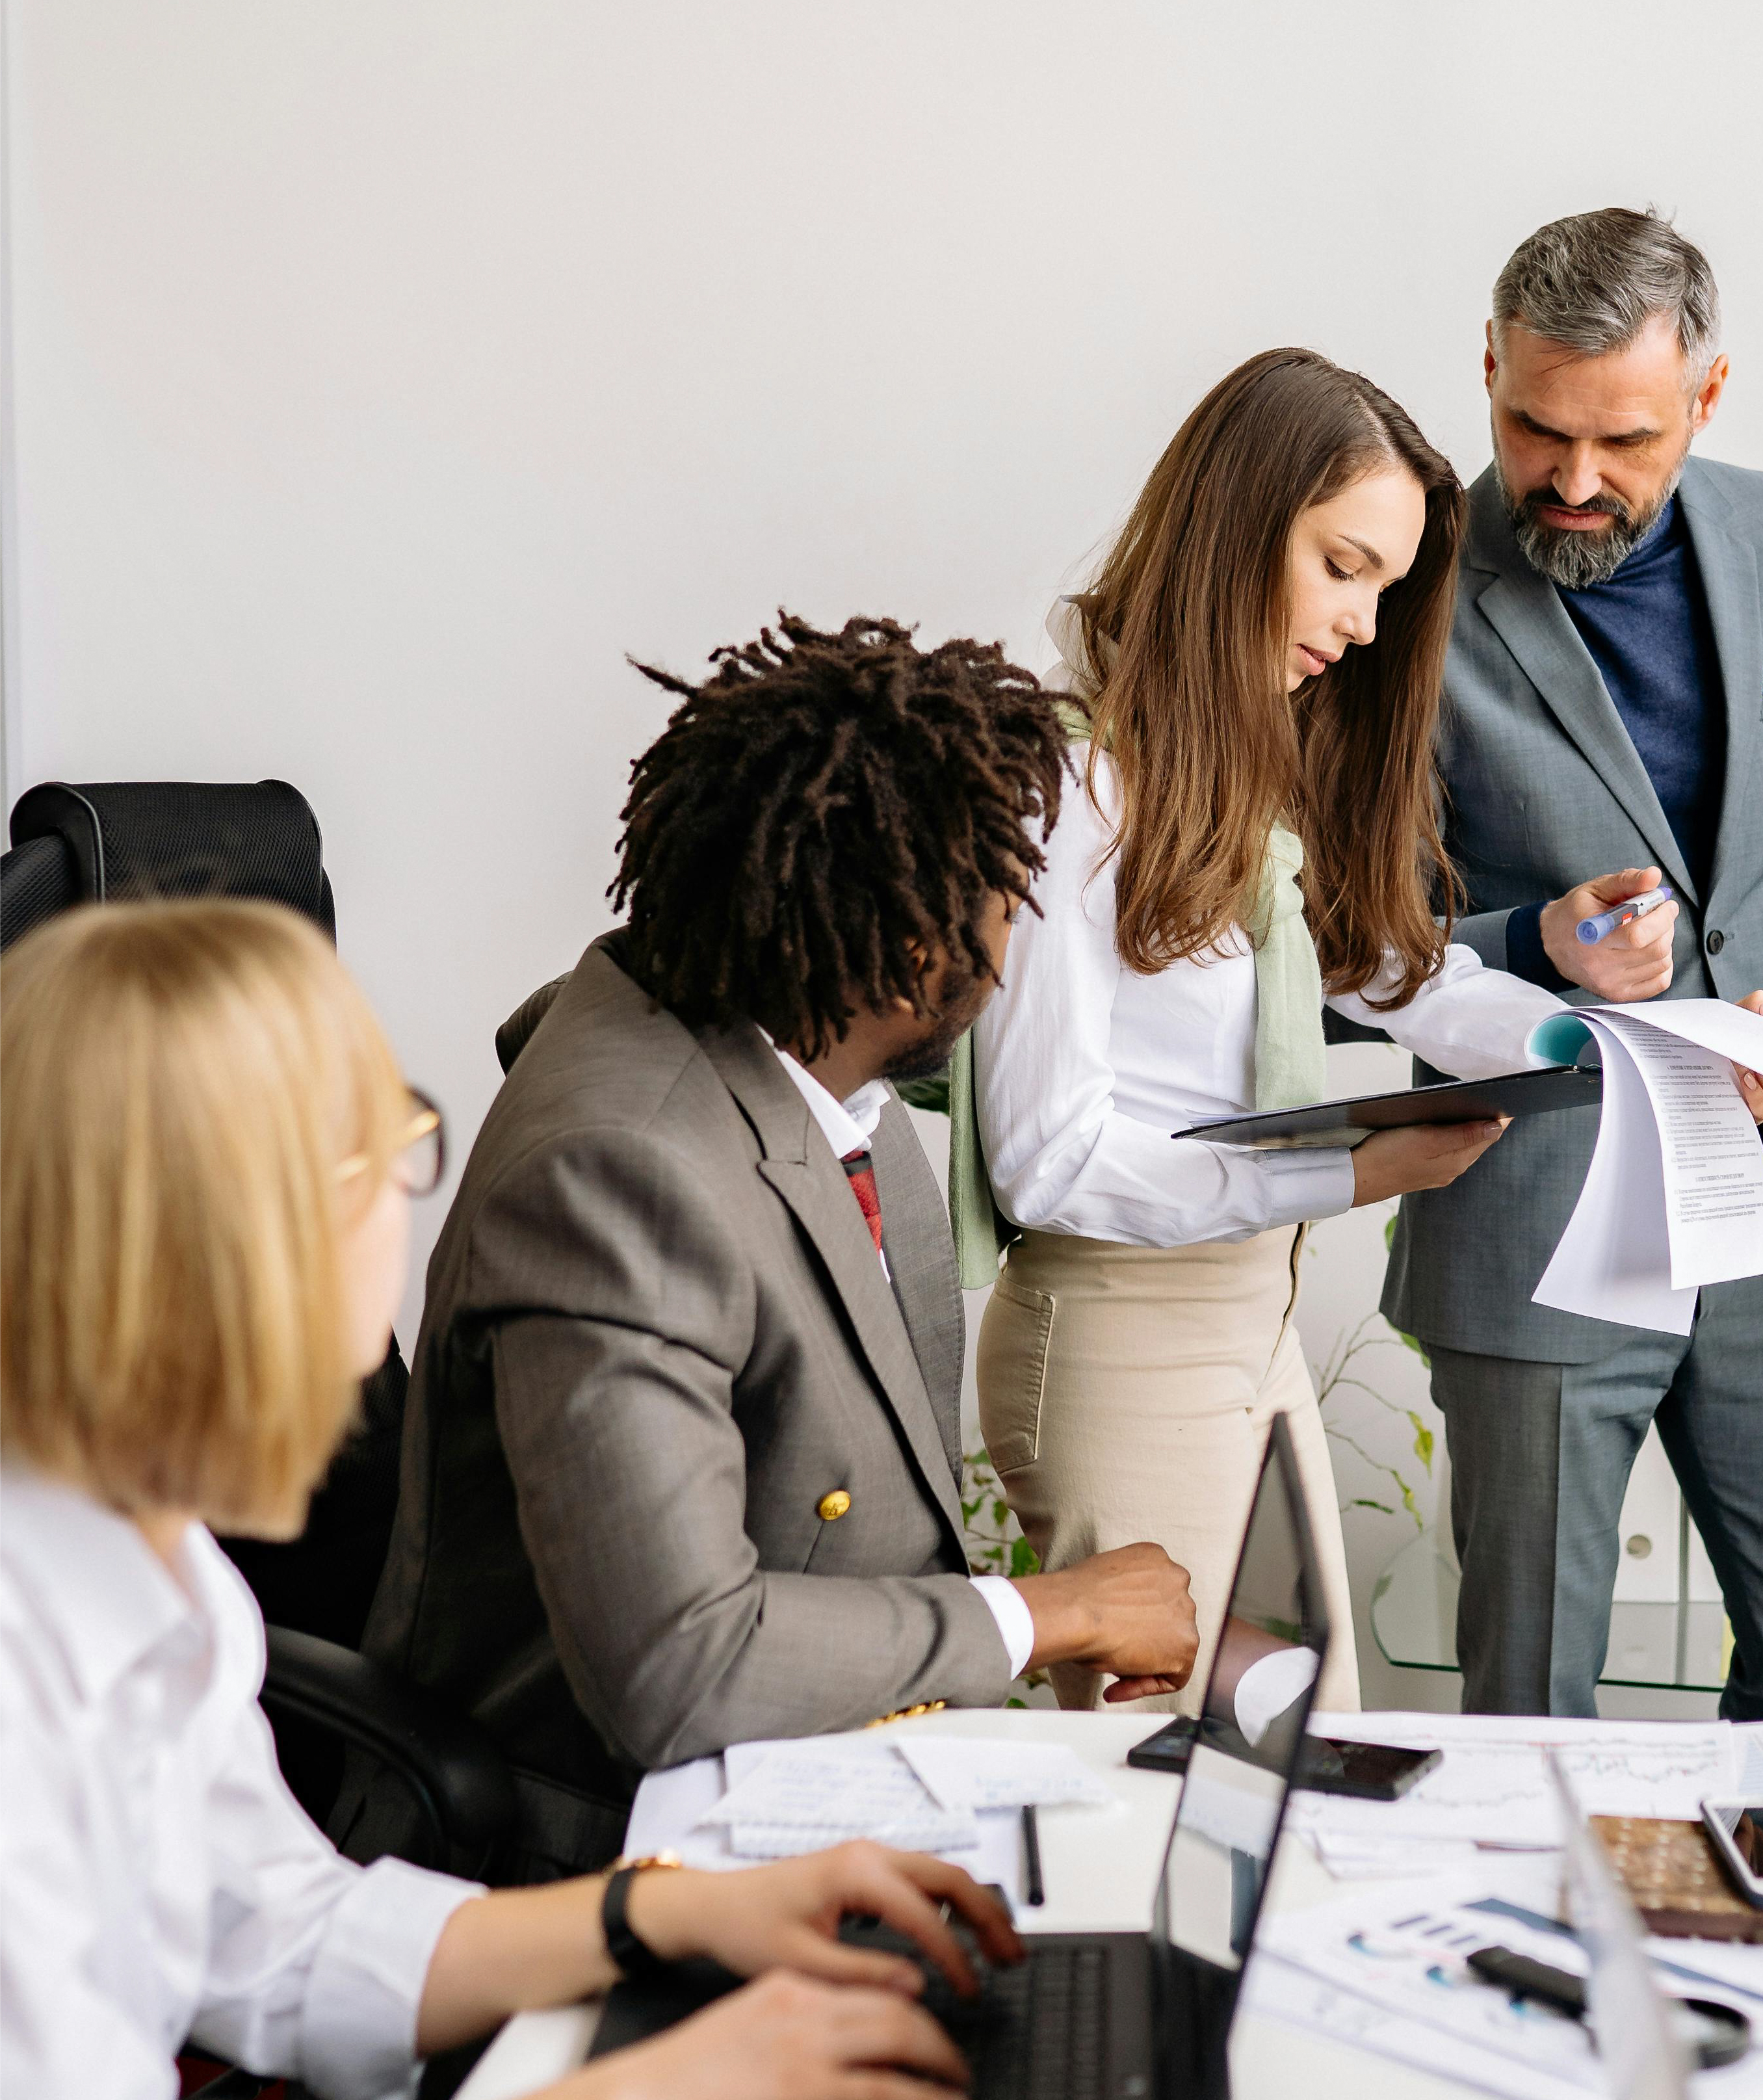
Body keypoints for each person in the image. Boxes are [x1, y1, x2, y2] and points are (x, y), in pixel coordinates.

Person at [0, 897, 1019, 2100]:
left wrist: (660, 1912)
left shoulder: (143, 1560)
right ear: (241, 1239)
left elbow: (268, 1923)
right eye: (388, 1147)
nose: (411, 1198)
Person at [366, 618, 1197, 1880]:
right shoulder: (620, 1175)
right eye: (1009, 900)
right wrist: (1051, 1613)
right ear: (919, 949)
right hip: (600, 1858)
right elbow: (678, 1670)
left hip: (830, 1784)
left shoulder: (817, 1079)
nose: (1022, 944)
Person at [1385, 209, 1763, 1729]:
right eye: (1531, 428)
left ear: (1706, 395)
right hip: (1541, 1215)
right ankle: (1527, 1973)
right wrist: (1530, 946)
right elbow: (1335, 945)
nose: (1571, 481)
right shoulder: (1397, 579)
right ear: (1487, 367)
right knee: (1528, 1703)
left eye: (1622, 439)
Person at [961, 348, 1553, 1710]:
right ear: (1238, 526)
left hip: (1247, 1326)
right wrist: (1345, 1171)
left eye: (1386, 591)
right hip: (1122, 1347)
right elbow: (1046, 1163)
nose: (1360, 624)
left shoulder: (1244, 764)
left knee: (1297, 1772)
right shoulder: (1067, 781)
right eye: (1343, 566)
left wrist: (1615, 1056)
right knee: (1188, 1806)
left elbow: (1388, 970)